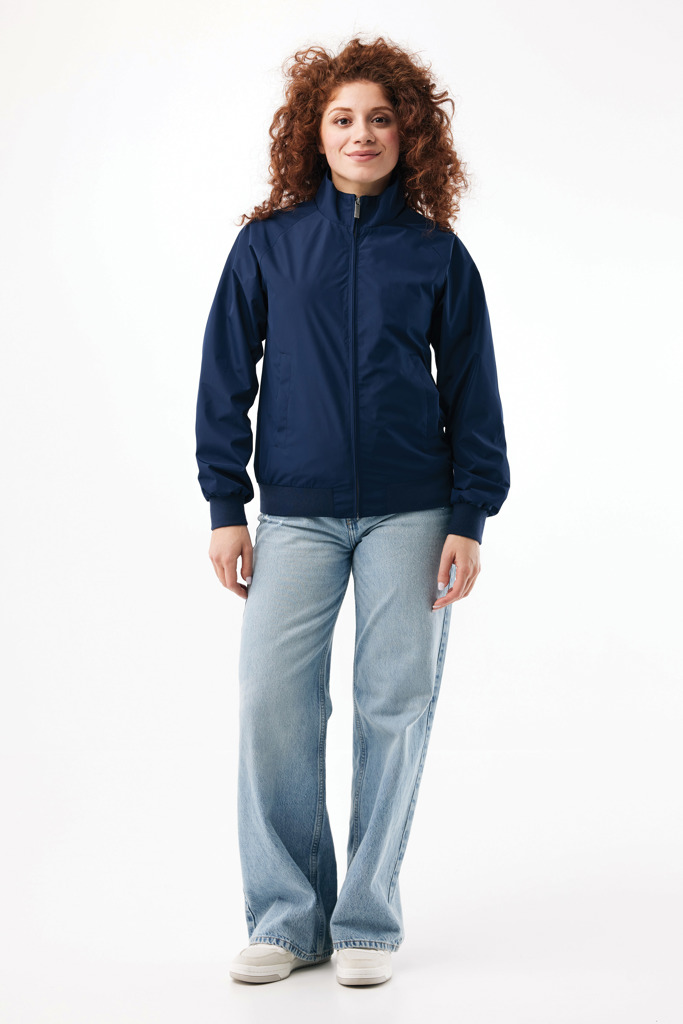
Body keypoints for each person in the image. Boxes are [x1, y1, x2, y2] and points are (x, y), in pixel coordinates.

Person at [194, 35, 510, 987]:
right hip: (294, 513)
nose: (360, 133)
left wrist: (469, 517)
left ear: (408, 133)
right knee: (272, 702)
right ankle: (288, 919)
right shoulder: (268, 245)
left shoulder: (436, 254)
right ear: (314, 133)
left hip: (413, 513)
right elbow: (223, 376)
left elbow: (474, 392)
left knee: (392, 707)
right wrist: (225, 502)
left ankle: (365, 920)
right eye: (342, 119)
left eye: (379, 118)